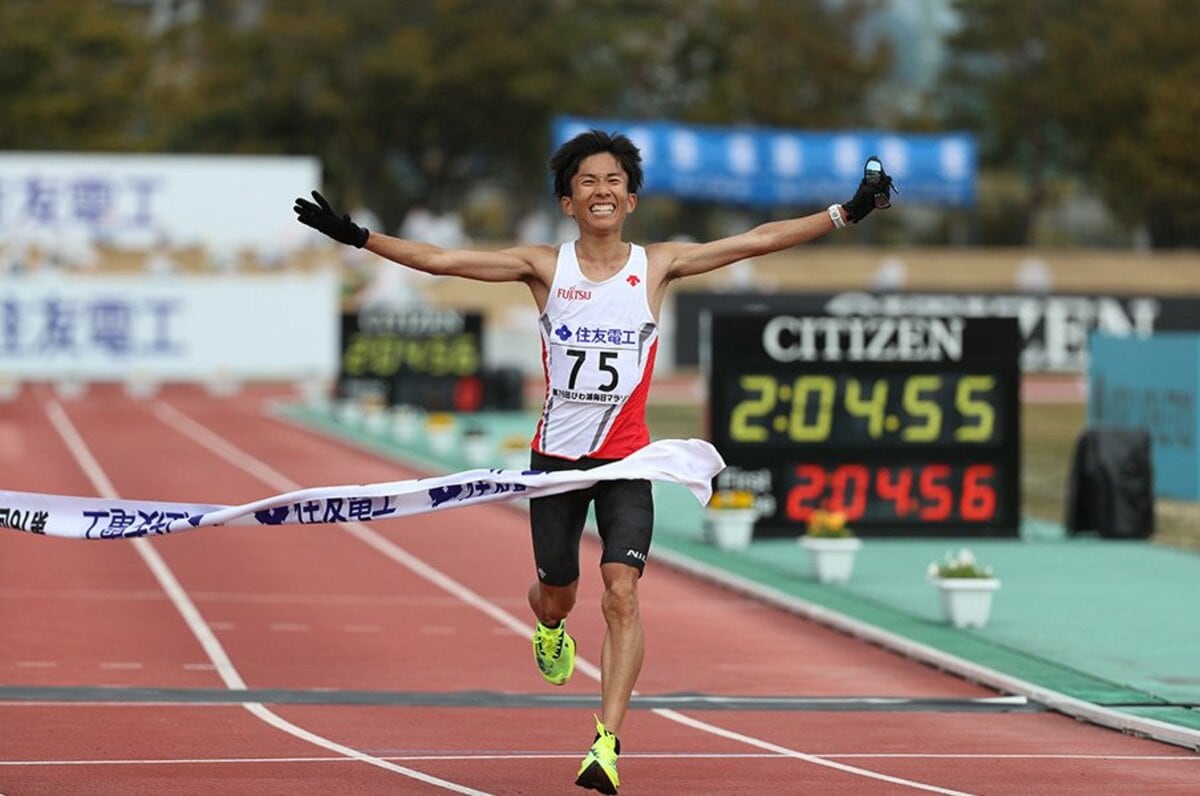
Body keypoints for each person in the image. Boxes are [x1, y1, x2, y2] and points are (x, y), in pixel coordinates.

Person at [294, 130, 894, 794]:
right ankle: (548, 625)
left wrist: (847, 212)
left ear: (631, 199)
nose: (601, 190)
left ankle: (606, 742)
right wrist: (357, 237)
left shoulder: (658, 265)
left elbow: (755, 240)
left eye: (613, 180)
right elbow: (440, 261)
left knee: (622, 594)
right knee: (559, 593)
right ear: (567, 202)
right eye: (587, 182)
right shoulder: (545, 267)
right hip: (555, 461)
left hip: (627, 462)